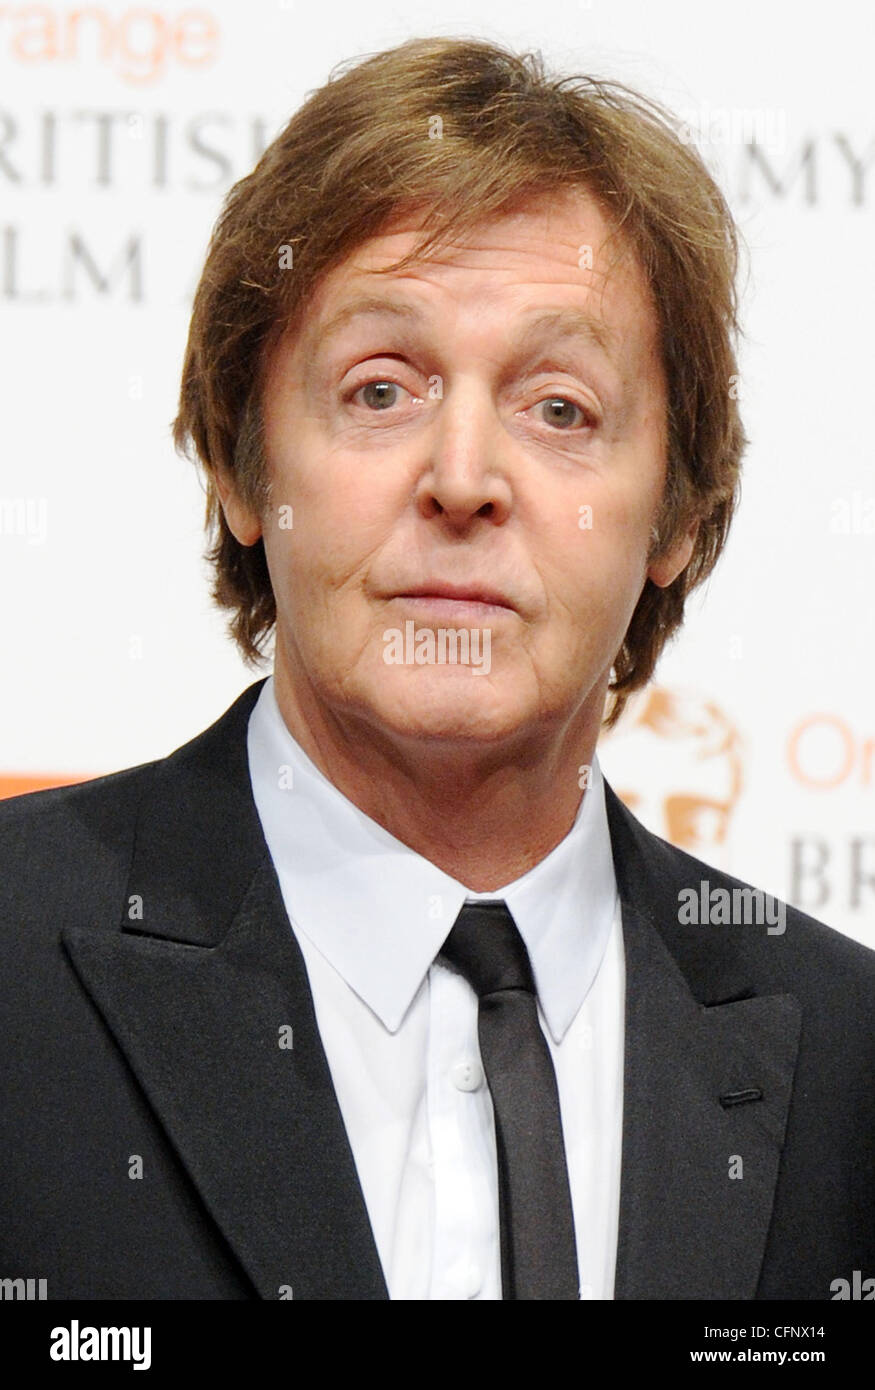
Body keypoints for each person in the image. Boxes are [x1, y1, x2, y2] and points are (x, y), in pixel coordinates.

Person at [2, 35, 873, 1302]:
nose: (462, 478)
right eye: (378, 390)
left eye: (559, 408)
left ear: (676, 515)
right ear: (243, 467)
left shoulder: (851, 1064)